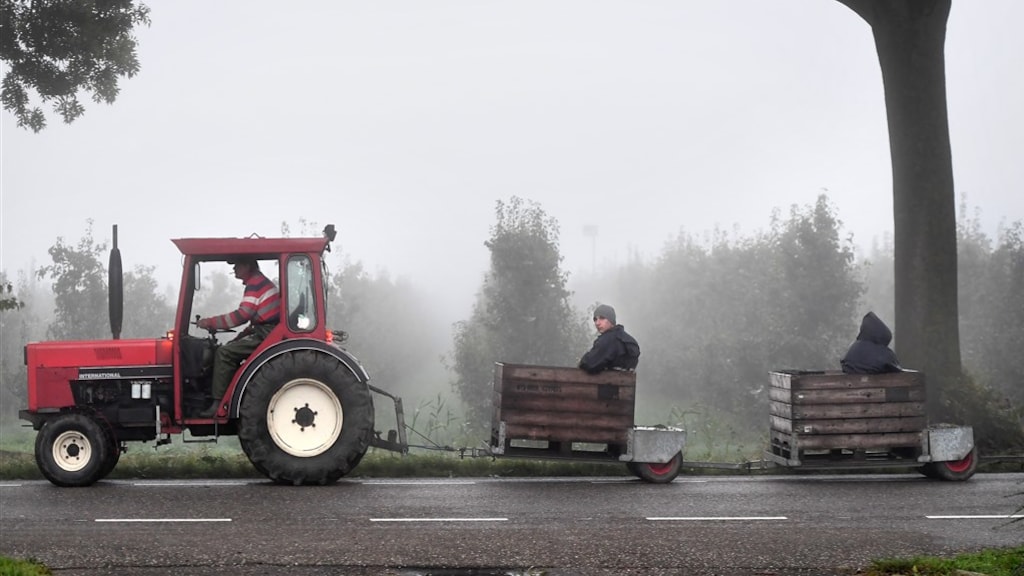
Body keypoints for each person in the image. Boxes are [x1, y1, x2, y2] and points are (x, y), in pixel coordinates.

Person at [197, 257, 281, 416]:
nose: (234, 268)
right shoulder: (259, 282)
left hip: (266, 333)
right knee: (230, 347)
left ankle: (218, 404)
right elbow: (256, 320)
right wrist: (238, 338)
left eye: (237, 264)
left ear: (247, 265)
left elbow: (242, 316)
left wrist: (210, 322)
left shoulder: (255, 283)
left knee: (224, 353)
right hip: (265, 330)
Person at [578, 304, 640, 374]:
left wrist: (582, 361)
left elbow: (590, 364)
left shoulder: (609, 339)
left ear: (611, 320)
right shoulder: (625, 339)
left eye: (602, 318)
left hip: (606, 384)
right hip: (620, 383)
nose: (597, 323)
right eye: (595, 319)